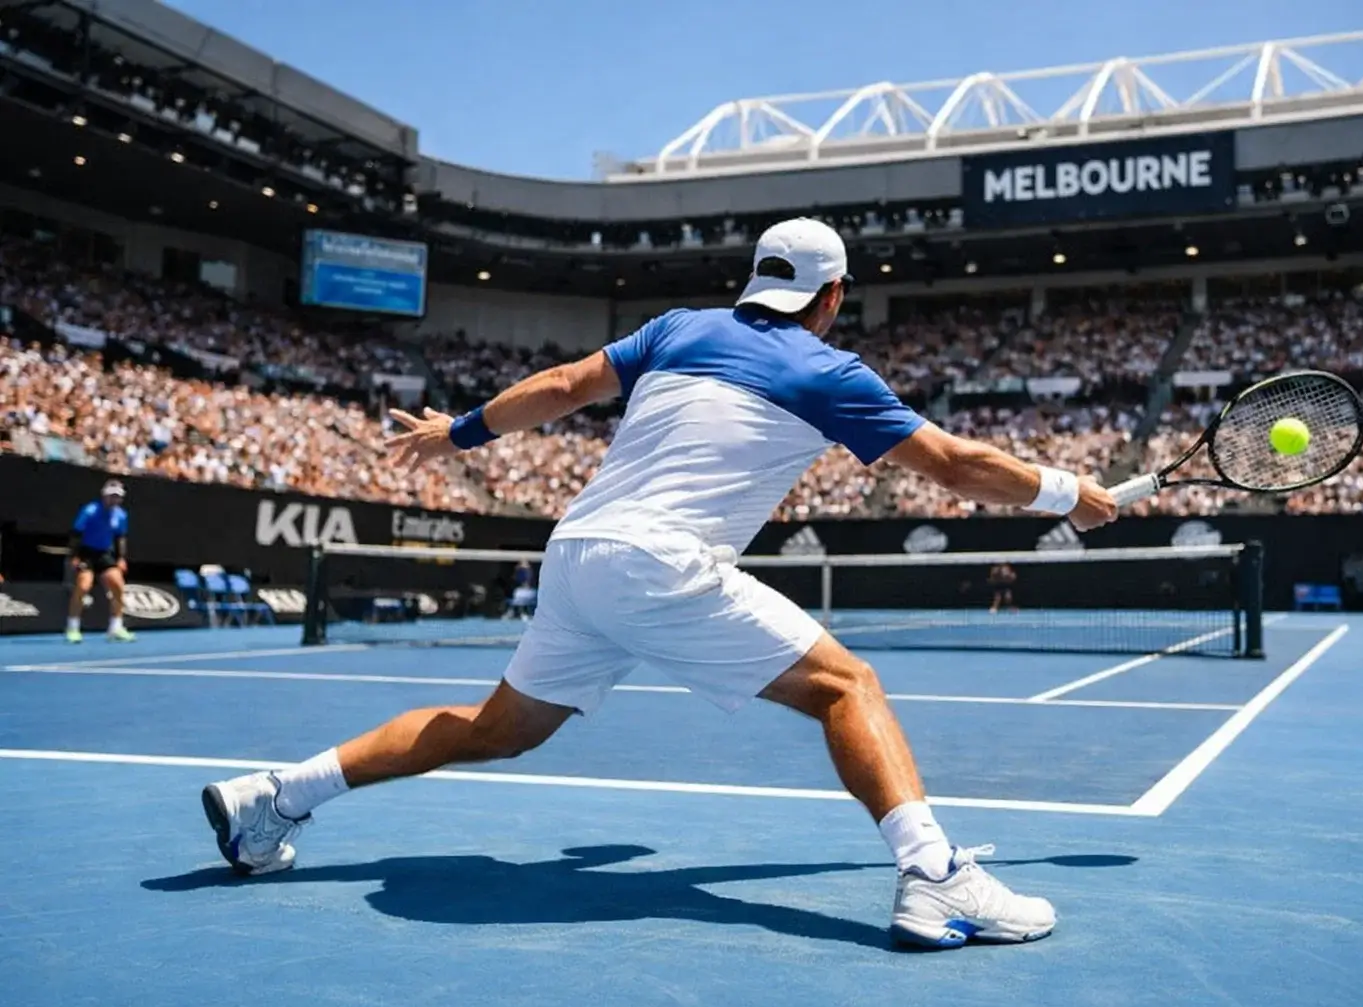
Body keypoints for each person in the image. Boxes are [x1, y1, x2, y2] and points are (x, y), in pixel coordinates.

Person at [199, 218, 1118, 950]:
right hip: (658, 561)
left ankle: (274, 799)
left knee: (495, 731)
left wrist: (462, 433)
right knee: (848, 686)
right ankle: (933, 878)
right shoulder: (829, 370)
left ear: (758, 280)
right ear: (833, 296)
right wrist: (1073, 494)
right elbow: (957, 464)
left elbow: (563, 385)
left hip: (578, 553)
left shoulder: (679, 328)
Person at [65, 479, 134, 643]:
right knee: (83, 586)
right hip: (86, 553)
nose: (114, 500)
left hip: (105, 554)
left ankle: (116, 627)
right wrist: (74, 556)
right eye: (111, 496)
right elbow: (76, 534)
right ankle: (73, 627)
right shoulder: (89, 511)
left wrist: (121, 558)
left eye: (118, 497)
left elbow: (120, 538)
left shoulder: (121, 515)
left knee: (118, 586)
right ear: (104, 496)